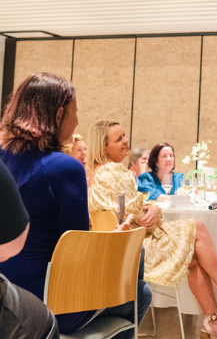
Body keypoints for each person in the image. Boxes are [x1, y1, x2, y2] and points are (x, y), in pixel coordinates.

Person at [0, 73, 151, 337]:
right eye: (75, 112)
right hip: (47, 301)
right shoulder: (65, 167)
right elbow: (77, 254)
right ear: (58, 116)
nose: (78, 120)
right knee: (141, 292)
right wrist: (114, 240)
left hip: (5, 297)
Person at [87, 120, 217, 339]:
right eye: (119, 138)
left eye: (124, 135)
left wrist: (152, 207)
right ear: (103, 147)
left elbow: (128, 208)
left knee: (194, 256)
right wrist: (155, 209)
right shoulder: (114, 171)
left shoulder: (97, 172)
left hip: (118, 243)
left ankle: (215, 322)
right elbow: (140, 217)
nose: (126, 140)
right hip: (130, 247)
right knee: (198, 227)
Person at [0, 158, 59, 339]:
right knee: (141, 292)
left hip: (22, 280)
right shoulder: (63, 166)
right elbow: (14, 236)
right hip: (53, 296)